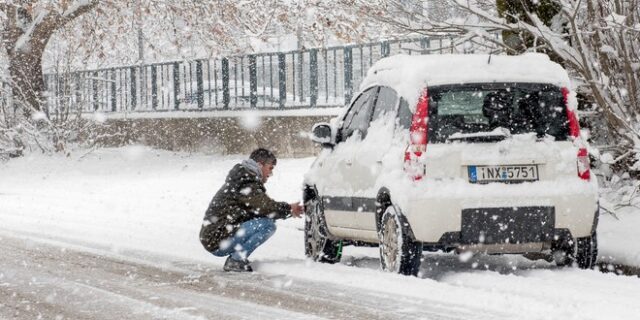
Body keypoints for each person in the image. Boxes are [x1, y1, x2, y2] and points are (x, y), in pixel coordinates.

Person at [199, 148, 304, 272]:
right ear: (259, 165)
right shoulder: (245, 181)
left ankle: (236, 259)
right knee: (267, 225)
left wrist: (288, 211)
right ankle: (236, 261)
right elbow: (265, 207)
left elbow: (260, 210)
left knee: (264, 221)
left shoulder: (243, 178)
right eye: (270, 168)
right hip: (217, 240)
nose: (270, 174)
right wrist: (288, 208)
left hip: (216, 237)